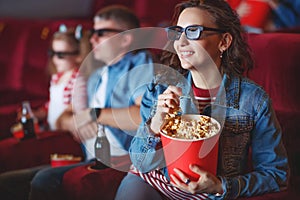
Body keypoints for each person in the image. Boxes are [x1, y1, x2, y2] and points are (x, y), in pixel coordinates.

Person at [115, 0, 289, 199]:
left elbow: (276, 175)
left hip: (212, 193)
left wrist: (221, 187)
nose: (180, 43)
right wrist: (155, 125)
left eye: (193, 31)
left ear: (224, 42)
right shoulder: (160, 88)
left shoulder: (254, 100)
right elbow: (140, 162)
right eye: (178, 32)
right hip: (154, 184)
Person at [28, 5, 154, 200]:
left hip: (120, 159)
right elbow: (64, 117)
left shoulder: (140, 64)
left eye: (100, 33)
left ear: (125, 39)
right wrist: (76, 121)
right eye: (92, 32)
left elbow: (145, 118)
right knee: (11, 181)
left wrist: (94, 114)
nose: (92, 39)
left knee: (43, 180)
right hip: (89, 156)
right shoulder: (95, 74)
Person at [0, 24, 89, 200]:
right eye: (52, 53)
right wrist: (37, 114)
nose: (55, 59)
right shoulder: (57, 76)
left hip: (64, 132)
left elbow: (76, 107)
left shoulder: (77, 78)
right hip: (51, 126)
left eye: (61, 55)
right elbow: (51, 104)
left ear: (79, 56)